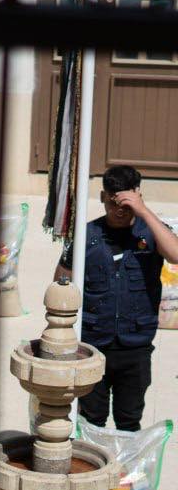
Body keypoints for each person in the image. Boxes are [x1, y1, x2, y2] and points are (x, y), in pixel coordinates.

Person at [55, 165, 178, 431]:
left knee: (129, 420)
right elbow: (61, 284)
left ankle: (125, 461)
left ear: (137, 196)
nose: (120, 211)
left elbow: (176, 255)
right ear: (103, 197)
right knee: (91, 420)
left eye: (126, 204)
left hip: (135, 346)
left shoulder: (151, 232)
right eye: (113, 204)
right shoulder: (86, 236)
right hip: (93, 344)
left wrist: (143, 210)